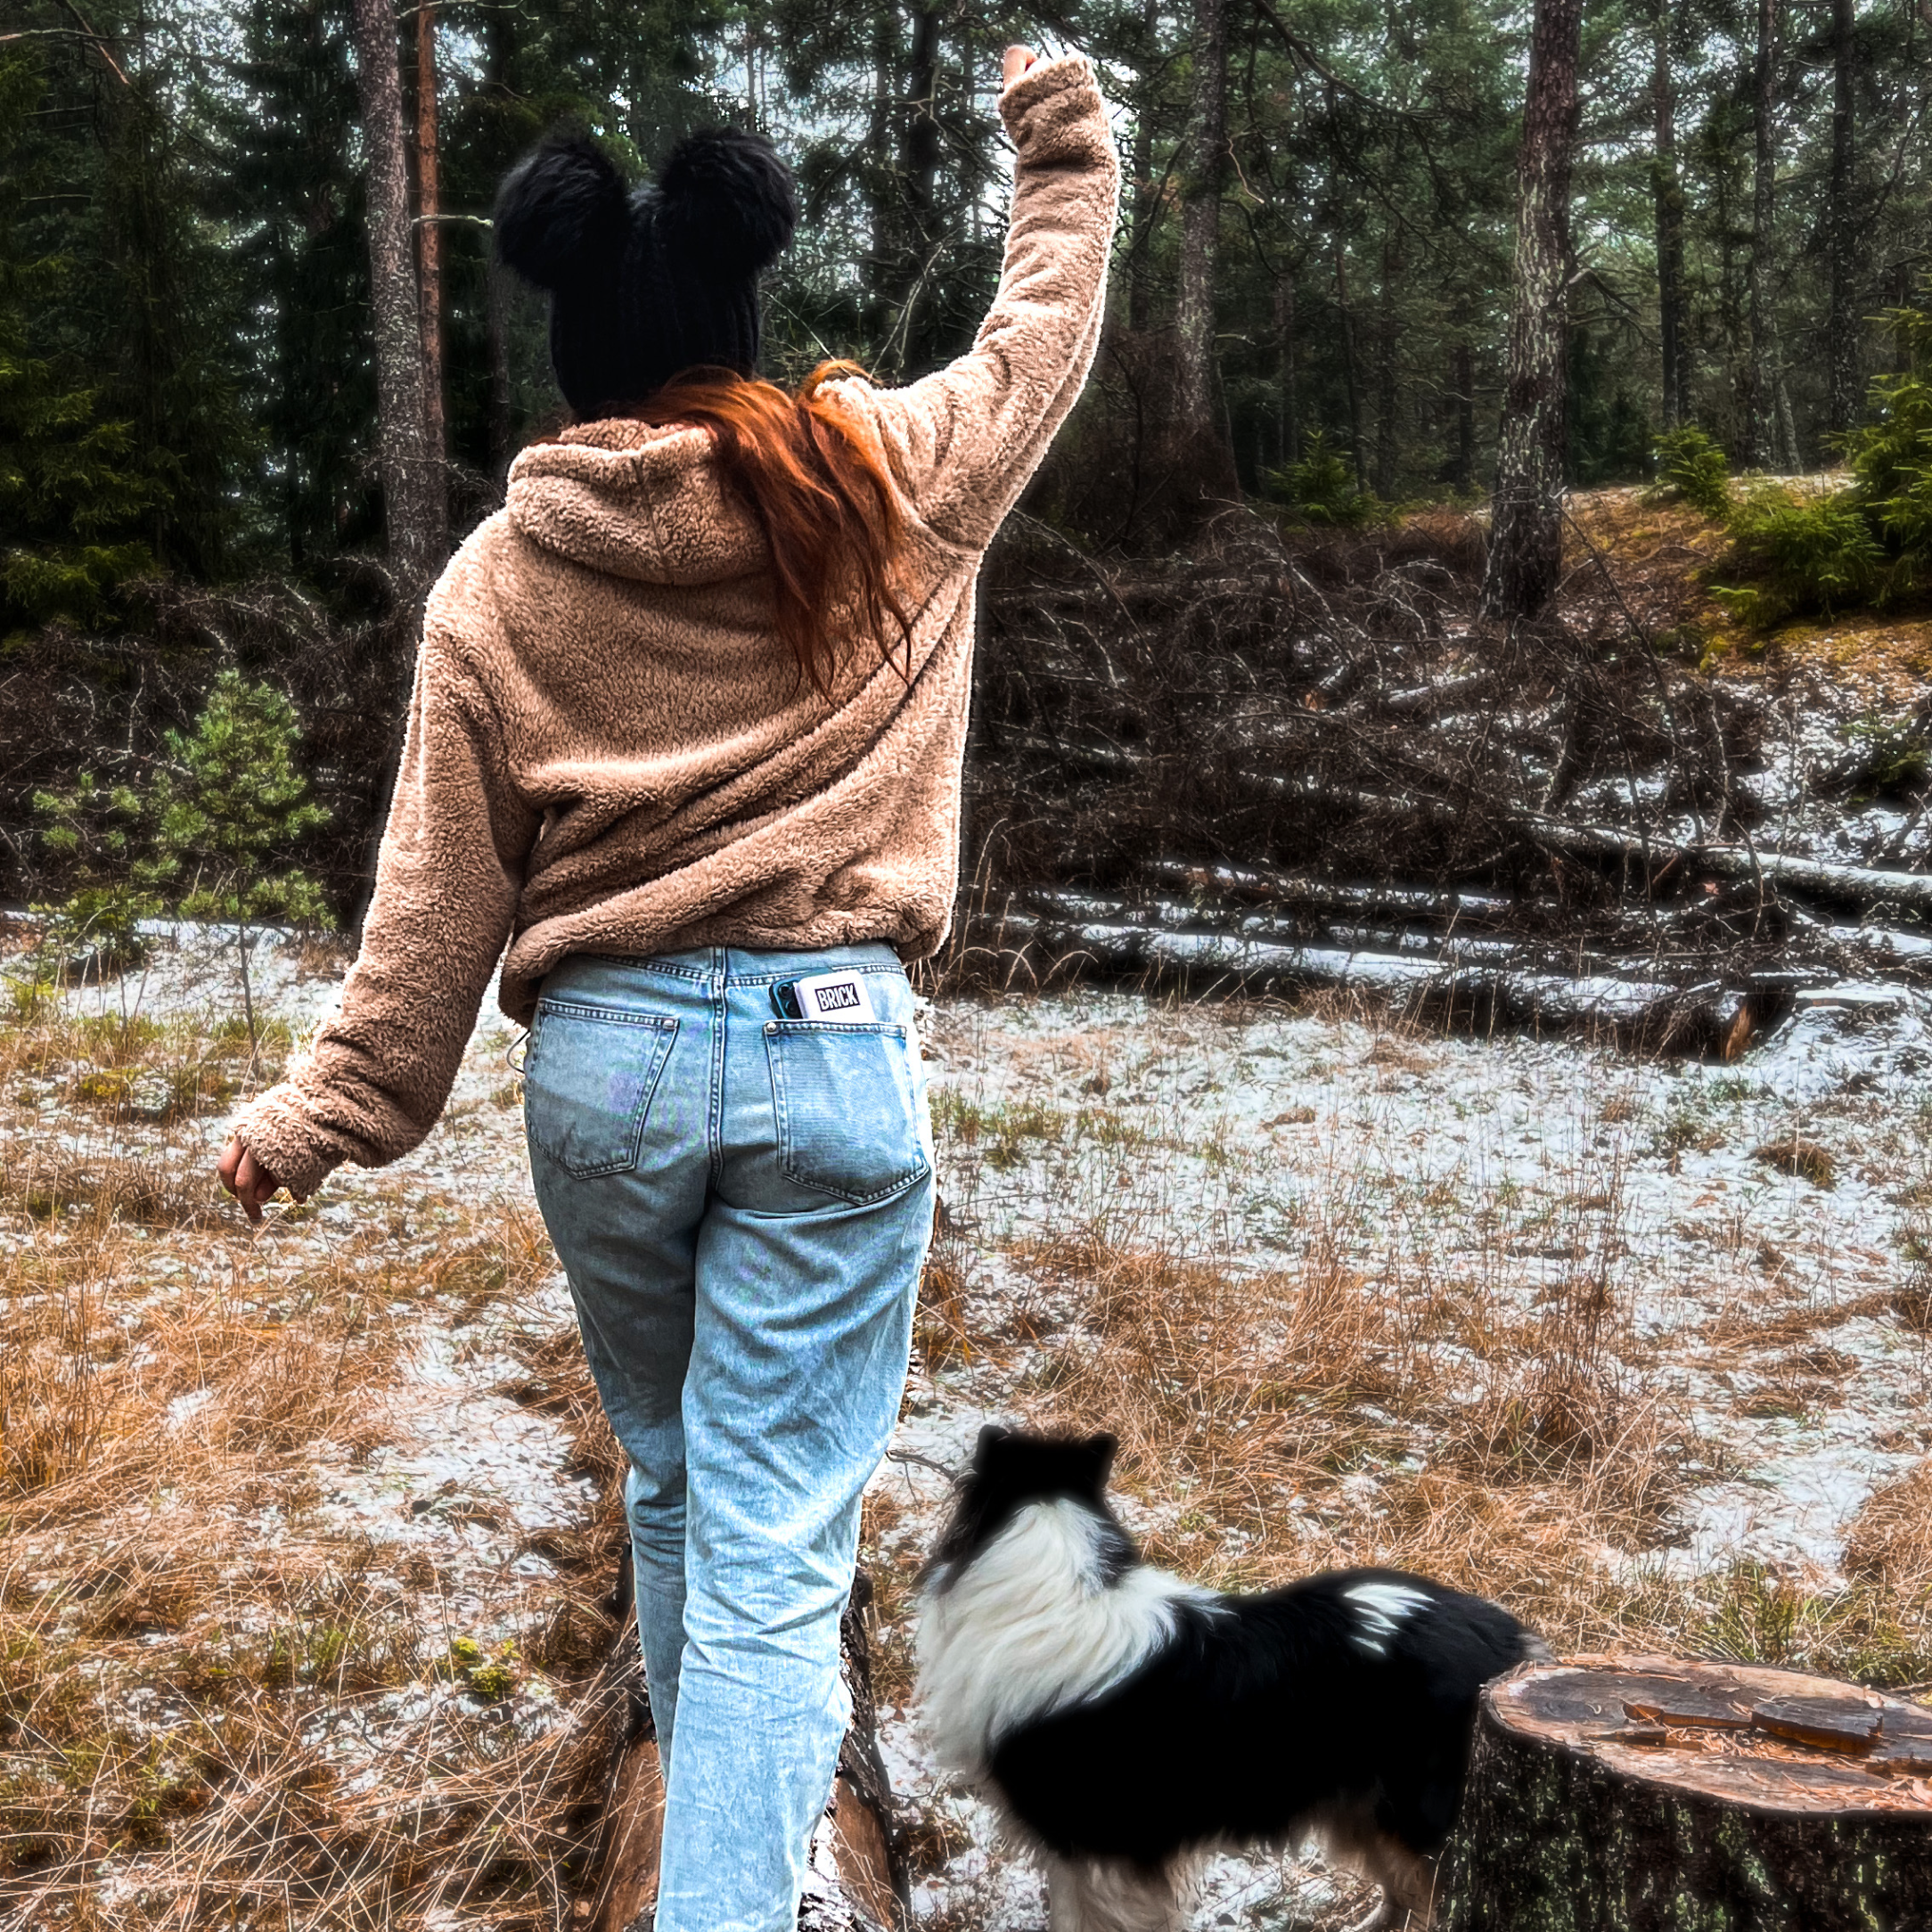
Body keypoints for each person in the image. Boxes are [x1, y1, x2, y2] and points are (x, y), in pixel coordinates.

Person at [218, 40, 1117, 1932]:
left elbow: (428, 923)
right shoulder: (880, 479)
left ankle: (711, 1829)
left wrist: (321, 1122)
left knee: (676, 1479)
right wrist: (1060, 138)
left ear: (571, 357)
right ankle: (736, 1893)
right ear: (734, 308)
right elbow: (1039, 339)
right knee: (783, 1554)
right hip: (835, 1068)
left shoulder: (496, 581)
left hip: (605, 1080)